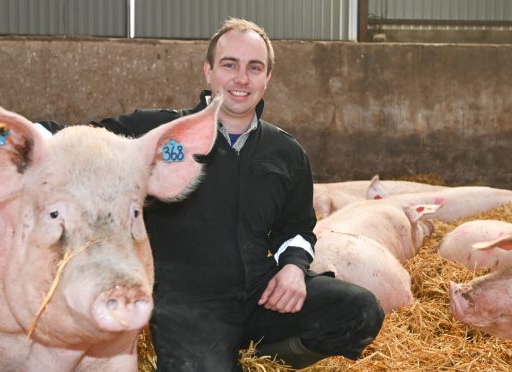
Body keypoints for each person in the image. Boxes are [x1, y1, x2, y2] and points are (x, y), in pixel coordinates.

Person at [41, 17, 384, 372]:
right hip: (188, 303)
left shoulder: (285, 151)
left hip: (258, 294)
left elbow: (295, 226)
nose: (241, 78)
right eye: (229, 65)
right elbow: (82, 136)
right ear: (208, 71)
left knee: (360, 311)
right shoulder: (162, 133)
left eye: (255, 68)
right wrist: (5, 136)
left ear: (267, 78)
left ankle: (263, 358)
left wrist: (294, 269)